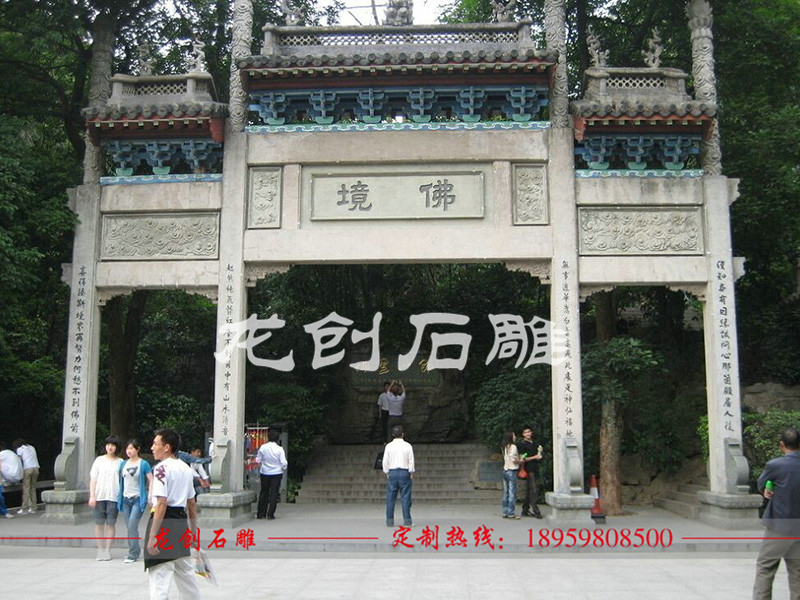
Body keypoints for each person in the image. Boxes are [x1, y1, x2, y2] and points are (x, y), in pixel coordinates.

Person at [145, 428, 201, 600]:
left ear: (167, 447)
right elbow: (191, 503)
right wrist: (193, 532)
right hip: (180, 523)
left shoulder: (161, 469)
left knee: (160, 577)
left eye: (155, 444)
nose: (152, 447)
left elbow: (161, 503)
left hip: (164, 523)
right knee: (186, 576)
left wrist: (153, 536)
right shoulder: (185, 468)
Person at [753, 427, 800, 600]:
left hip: (778, 527)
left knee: (766, 568)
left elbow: (762, 485)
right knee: (797, 573)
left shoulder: (775, 465)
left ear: (782, 445)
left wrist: (768, 489)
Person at [117, 439, 153, 564]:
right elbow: (121, 481)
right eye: (127, 448)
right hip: (125, 499)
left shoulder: (143, 464)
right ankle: (134, 551)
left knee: (132, 525)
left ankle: (133, 554)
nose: (129, 451)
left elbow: (151, 479)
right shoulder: (123, 464)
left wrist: (150, 496)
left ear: (137, 449)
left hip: (137, 499)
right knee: (130, 527)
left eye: (132, 448)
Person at [89, 435, 124, 560]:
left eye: (113, 445)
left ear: (117, 447)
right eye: (108, 444)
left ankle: (108, 550)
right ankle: (100, 550)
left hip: (113, 496)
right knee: (99, 523)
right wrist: (92, 495)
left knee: (110, 524)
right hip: (99, 496)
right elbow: (93, 479)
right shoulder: (99, 460)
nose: (110, 447)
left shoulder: (121, 462)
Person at [382, 424, 415, 527]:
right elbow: (411, 461)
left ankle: (389, 521)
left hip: (392, 472)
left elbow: (385, 461)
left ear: (392, 434)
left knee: (390, 498)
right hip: (404, 472)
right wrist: (411, 472)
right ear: (403, 434)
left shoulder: (389, 446)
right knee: (405, 497)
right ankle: (407, 520)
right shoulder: (408, 446)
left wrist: (387, 472)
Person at [256, 429, 287, 520]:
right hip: (277, 473)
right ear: (277, 439)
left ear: (268, 438)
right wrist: (283, 467)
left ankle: (261, 513)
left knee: (264, 492)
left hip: (265, 472)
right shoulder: (279, 449)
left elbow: (258, 459)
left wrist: (262, 464)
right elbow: (283, 462)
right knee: (274, 493)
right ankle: (270, 514)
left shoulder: (263, 447)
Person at [516, 425, 543, 518]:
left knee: (529, 489)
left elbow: (538, 453)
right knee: (534, 489)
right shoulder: (522, 444)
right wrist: (534, 457)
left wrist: (539, 454)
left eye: (528, 432)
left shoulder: (535, 443)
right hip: (528, 469)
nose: (527, 434)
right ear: (523, 434)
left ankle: (525, 509)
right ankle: (536, 510)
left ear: (531, 432)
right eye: (525, 432)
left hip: (535, 468)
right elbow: (522, 458)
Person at [12, 438, 39, 514]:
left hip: (27, 469)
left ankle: (24, 509)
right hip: (36, 468)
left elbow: (19, 461)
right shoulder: (32, 447)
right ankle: (34, 508)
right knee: (33, 489)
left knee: (26, 489)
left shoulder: (20, 449)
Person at [501, 429, 521, 519]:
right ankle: (511, 512)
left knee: (506, 493)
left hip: (505, 470)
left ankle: (505, 512)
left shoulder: (504, 446)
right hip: (512, 471)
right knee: (512, 492)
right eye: (514, 435)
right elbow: (514, 460)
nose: (515, 437)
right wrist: (520, 461)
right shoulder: (513, 447)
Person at [0, 442, 23, 520]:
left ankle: (4, 512)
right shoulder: (11, 453)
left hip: (10, 477)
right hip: (17, 476)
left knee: (0, 497)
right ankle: (4, 512)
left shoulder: (2, 454)